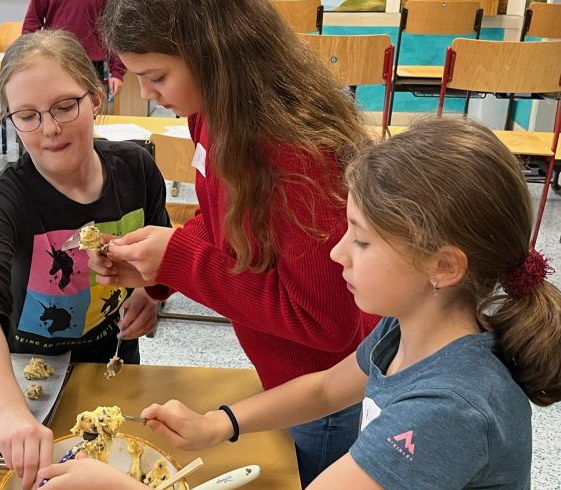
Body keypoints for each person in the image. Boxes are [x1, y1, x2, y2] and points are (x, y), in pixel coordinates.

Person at [39, 118, 561, 489]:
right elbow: (326, 386)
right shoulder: (412, 326)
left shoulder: (448, 411)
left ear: (443, 267)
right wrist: (219, 423)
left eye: (359, 239)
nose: (336, 253)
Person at [90, 0, 379, 484]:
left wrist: (179, 263)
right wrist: (158, 273)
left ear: (211, 54)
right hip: (282, 371)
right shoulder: (213, 110)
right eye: (135, 74)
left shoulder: (296, 157)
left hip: (319, 387)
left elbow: (326, 323)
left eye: (157, 76)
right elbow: (222, 217)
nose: (146, 92)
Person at [0, 30, 169, 489]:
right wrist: (10, 411)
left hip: (111, 371)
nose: (49, 129)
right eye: (27, 116)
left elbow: (163, 258)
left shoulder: (137, 170)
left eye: (63, 107)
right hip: (26, 385)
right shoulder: (6, 198)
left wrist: (150, 294)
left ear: (94, 98)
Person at [22, 0, 126, 99]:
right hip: (54, 61)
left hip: (92, 66)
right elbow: (31, 25)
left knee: (93, 112)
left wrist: (117, 72)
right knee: (55, 109)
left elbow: (114, 29)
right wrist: (28, 64)